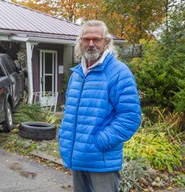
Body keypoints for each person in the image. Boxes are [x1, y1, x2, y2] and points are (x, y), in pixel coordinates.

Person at [58, 20, 141, 192]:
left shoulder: (119, 73)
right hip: (77, 157)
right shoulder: (77, 75)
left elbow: (130, 117)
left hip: (101, 160)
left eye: (96, 39)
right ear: (80, 41)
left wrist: (100, 143)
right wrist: (64, 137)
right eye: (86, 39)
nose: (91, 44)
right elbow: (71, 112)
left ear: (106, 42)